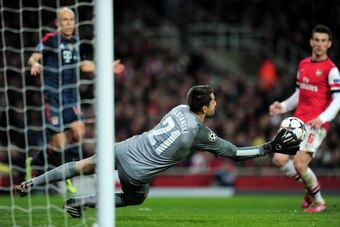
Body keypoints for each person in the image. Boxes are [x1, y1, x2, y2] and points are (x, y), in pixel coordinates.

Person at [16, 85, 300, 218]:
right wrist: (268, 148)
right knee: (136, 198)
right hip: (137, 170)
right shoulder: (200, 133)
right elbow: (236, 153)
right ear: (203, 108)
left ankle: (32, 182)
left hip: (127, 146)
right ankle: (81, 201)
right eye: (213, 101)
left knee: (82, 165)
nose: (216, 104)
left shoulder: (179, 108)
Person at [26, 7, 124, 193]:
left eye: (71, 19)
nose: (69, 22)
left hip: (71, 97)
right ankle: (35, 162)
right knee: (59, 144)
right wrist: (35, 64)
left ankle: (68, 172)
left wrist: (103, 66)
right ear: (58, 23)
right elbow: (33, 57)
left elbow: (83, 65)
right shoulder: (50, 39)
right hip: (53, 97)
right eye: (65, 19)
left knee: (79, 132)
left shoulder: (77, 42)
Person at [269, 24, 340, 213]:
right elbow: (299, 93)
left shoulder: (331, 70)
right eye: (316, 40)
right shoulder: (303, 65)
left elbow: (338, 99)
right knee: (279, 160)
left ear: (329, 44)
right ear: (311, 41)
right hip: (298, 120)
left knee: (299, 164)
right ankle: (311, 188)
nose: (319, 44)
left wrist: (322, 117)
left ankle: (319, 202)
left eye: (323, 41)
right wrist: (282, 106)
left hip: (316, 123)